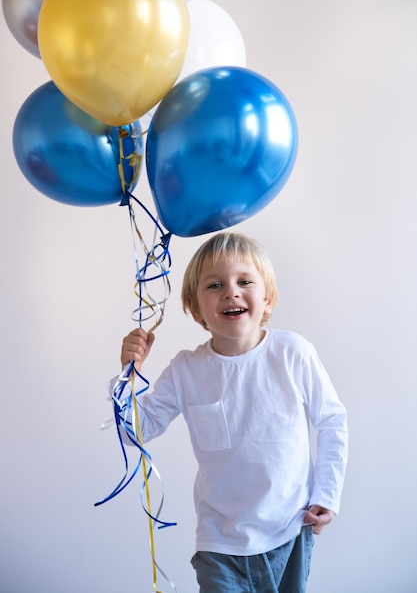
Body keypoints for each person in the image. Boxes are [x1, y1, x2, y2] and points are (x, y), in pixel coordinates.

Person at [113, 231, 348, 593]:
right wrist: (128, 375)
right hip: (219, 544)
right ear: (194, 308)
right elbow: (135, 432)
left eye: (245, 281)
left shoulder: (293, 352)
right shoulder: (185, 370)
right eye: (215, 285)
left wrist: (326, 495)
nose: (231, 292)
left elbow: (332, 421)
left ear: (268, 299)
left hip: (289, 529)